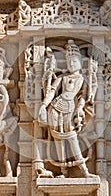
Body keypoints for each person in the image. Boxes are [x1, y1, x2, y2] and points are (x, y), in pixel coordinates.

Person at [38, 39, 97, 178]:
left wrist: (80, 108)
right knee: (58, 138)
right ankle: (63, 171)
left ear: (80, 63)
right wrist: (43, 105)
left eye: (74, 61)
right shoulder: (62, 78)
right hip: (56, 108)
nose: (71, 64)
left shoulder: (83, 79)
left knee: (71, 137)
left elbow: (83, 96)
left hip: (71, 108)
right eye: (69, 61)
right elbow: (52, 91)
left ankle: (84, 170)